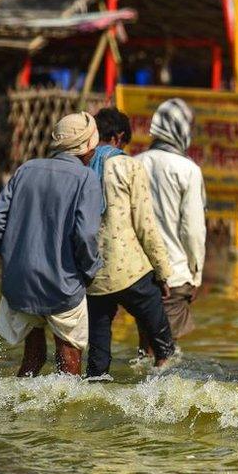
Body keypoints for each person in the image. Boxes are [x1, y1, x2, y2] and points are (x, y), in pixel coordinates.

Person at [0, 112, 102, 376]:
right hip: (62, 285)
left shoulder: (26, 169)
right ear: (86, 147)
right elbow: (85, 236)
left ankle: (17, 412)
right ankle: (66, 416)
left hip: (20, 283)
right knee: (69, 363)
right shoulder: (86, 179)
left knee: (32, 358)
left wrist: (9, 255)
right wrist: (90, 270)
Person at [84, 108, 176, 377]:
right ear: (119, 137)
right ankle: (160, 400)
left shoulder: (81, 167)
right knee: (164, 348)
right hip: (132, 273)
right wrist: (163, 273)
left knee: (97, 359)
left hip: (93, 276)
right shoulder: (128, 166)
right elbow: (146, 225)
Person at [135, 99, 206, 347]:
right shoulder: (187, 169)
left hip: (138, 274)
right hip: (174, 274)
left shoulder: (135, 162)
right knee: (165, 352)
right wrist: (195, 274)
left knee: (146, 347)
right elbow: (193, 230)